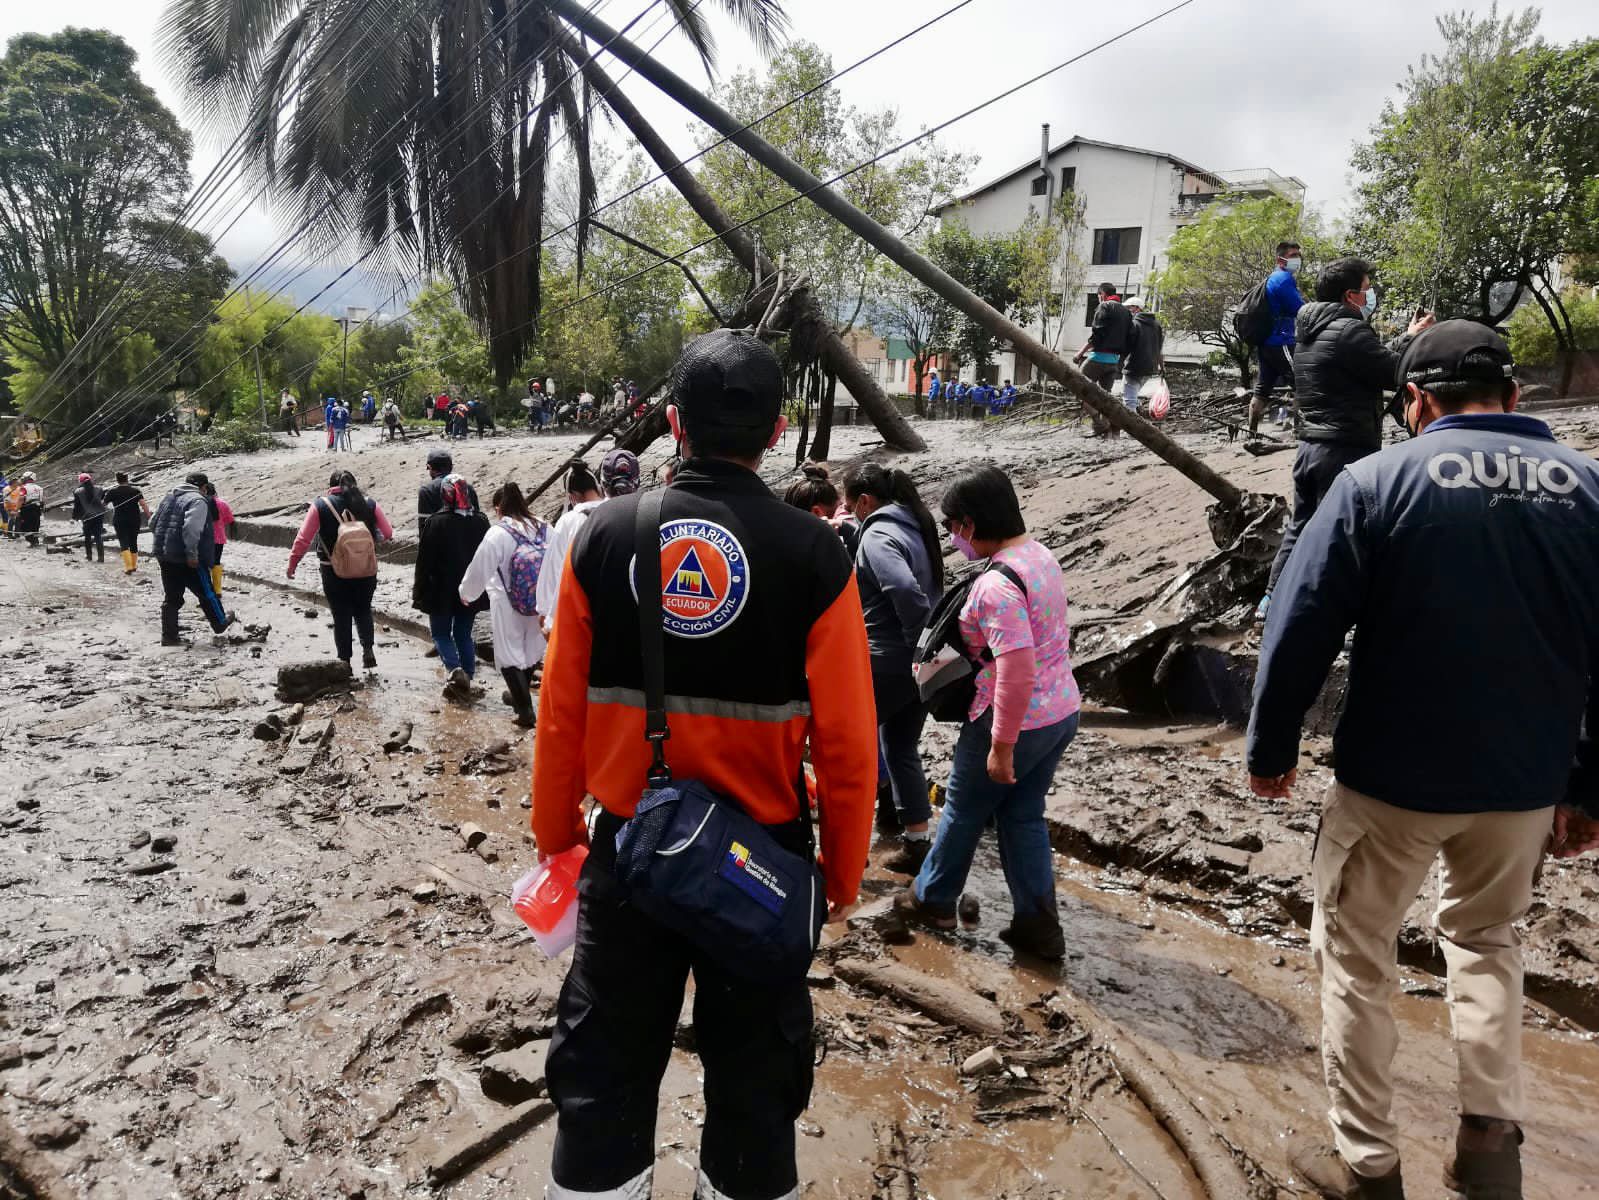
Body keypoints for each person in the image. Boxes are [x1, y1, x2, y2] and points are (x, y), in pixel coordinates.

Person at [1246, 321, 1599, 1200]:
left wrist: (1271, 743)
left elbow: (1301, 622)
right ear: (1515, 398)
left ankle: (1367, 1165)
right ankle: (1489, 1151)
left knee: (1358, 958)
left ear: (1414, 404)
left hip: (1390, 783)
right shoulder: (1589, 490)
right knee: (1486, 944)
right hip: (1522, 788)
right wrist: (1589, 783)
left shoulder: (1375, 481)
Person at [531, 327, 876, 1200]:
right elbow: (845, 742)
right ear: (778, 428)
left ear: (673, 424)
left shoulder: (600, 536)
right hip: (761, 864)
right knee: (757, 1087)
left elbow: (559, 710)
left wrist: (554, 836)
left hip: (627, 856)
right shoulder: (814, 554)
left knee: (602, 1075)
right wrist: (840, 874)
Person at [895, 466, 1082, 960]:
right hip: (1059, 711)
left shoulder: (996, 587)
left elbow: (1016, 669)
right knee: (1023, 816)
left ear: (971, 525)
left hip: (1014, 720)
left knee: (963, 808)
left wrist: (1001, 745)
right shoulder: (1039, 556)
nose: (954, 538)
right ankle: (1038, 926)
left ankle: (932, 899)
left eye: (953, 527)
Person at [1255, 258, 1433, 621]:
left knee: (1301, 528)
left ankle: (1271, 602)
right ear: (1351, 295)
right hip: (1343, 449)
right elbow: (1392, 371)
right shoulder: (1349, 332)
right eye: (1367, 289)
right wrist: (1417, 344)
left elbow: (1368, 358)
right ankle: (1318, 615)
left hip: (1310, 447)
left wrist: (1408, 337)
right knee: (1338, 538)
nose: (1370, 295)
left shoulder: (1312, 330)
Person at [844, 464, 946, 872]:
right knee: (900, 748)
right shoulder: (914, 526)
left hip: (886, 663)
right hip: (912, 668)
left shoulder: (877, 535)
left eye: (851, 506)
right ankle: (917, 843)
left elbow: (905, 590)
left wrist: (914, 643)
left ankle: (846, 854)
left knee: (848, 751)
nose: (851, 513)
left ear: (865, 502)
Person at [457, 481, 547, 728]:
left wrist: (467, 593)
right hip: (540, 602)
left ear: (499, 509)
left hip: (508, 603)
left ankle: (526, 711)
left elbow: (480, 567)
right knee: (530, 654)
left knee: (508, 657)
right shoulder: (544, 527)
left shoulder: (498, 533)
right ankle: (521, 701)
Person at [288, 470, 394, 669]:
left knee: (341, 614)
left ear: (331, 486)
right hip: (366, 569)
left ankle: (344, 662)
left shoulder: (321, 505)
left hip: (333, 571)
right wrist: (368, 542)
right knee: (363, 609)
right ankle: (368, 650)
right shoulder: (369, 503)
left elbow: (303, 539)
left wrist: (292, 564)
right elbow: (387, 533)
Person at [413, 475, 490, 702]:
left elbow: (424, 561)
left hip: (440, 590)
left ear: (445, 495)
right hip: (470, 588)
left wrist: (419, 590)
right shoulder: (481, 521)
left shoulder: (435, 522)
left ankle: (455, 671)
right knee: (463, 633)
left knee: (440, 633)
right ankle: (468, 676)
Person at [151, 472, 236, 645]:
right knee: (206, 592)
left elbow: (152, 522)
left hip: (164, 554)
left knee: (172, 596)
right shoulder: (198, 500)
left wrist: (166, 542)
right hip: (185, 557)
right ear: (204, 487)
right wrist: (191, 554)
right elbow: (191, 528)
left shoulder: (169, 497)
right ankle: (220, 623)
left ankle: (169, 636)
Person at [535, 460, 607, 637]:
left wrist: (545, 613)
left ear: (572, 495)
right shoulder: (614, 512)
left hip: (579, 609)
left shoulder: (570, 521)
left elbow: (554, 569)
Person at [1250, 241, 1306, 438]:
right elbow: (1300, 309)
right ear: (1280, 259)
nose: (1297, 259)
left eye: (1298, 255)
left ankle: (1252, 432)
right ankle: (1300, 431)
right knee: (1302, 382)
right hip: (1281, 341)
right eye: (1292, 255)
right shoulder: (1283, 279)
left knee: (1262, 389)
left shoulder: (1271, 278)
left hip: (1266, 343)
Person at [1074, 283, 1134, 436]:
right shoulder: (1127, 313)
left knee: (1079, 388)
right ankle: (1107, 427)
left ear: (1103, 294)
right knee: (1104, 396)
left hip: (1097, 359)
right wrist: (1119, 361)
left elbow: (1097, 335)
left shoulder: (1104, 307)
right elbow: (1130, 339)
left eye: (1099, 296)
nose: (1099, 298)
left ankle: (1098, 423)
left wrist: (1079, 353)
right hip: (1113, 362)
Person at [1121, 298, 1164, 411]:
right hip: (1150, 368)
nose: (1126, 311)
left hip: (1134, 367)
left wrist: (1118, 361)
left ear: (1136, 308)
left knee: (1128, 400)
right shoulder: (1156, 325)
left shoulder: (1134, 324)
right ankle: (1137, 413)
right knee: (1132, 395)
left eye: (1128, 308)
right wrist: (1162, 367)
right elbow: (1159, 348)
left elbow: (1127, 347)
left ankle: (1131, 426)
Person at [104, 472, 149, 574]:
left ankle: (128, 567)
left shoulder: (112, 492)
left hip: (119, 520)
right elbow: (143, 505)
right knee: (133, 541)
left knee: (123, 542)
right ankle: (133, 566)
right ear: (127, 479)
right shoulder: (135, 491)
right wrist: (149, 517)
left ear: (117, 480)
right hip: (134, 519)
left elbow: (103, 505)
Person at [418, 448, 479, 517]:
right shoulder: (467, 487)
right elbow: (477, 516)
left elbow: (424, 524)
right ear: (451, 467)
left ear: (430, 467)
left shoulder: (426, 490)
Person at [71, 473, 107, 563]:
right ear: (90, 479)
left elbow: (77, 507)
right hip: (99, 515)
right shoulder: (99, 489)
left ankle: (89, 556)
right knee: (98, 536)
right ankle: (101, 558)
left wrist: (75, 517)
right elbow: (102, 498)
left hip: (87, 517)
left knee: (87, 536)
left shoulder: (78, 492)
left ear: (80, 481)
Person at [206, 484, 234, 594]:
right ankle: (217, 590)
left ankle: (208, 589)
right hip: (219, 538)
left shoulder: (202, 503)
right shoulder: (223, 504)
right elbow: (230, 520)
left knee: (204, 564)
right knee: (216, 562)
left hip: (205, 538)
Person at [16, 471, 43, 547]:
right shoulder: (40, 488)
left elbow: (21, 499)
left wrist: (17, 509)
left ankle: (31, 541)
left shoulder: (23, 488)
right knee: (35, 525)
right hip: (37, 508)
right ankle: (35, 541)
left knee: (25, 526)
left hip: (26, 509)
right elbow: (41, 500)